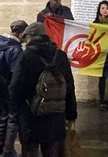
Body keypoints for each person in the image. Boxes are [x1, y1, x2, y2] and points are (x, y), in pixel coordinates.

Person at [9, 22, 77, 157]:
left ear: (31, 37)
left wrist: (14, 114)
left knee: (30, 152)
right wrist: (71, 115)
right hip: (55, 117)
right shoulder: (61, 56)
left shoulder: (26, 56)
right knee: (52, 152)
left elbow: (15, 88)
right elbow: (69, 87)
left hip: (30, 118)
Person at [0, 20, 28, 157]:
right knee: (10, 120)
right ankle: (6, 151)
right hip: (8, 90)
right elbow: (15, 75)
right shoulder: (15, 49)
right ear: (21, 33)